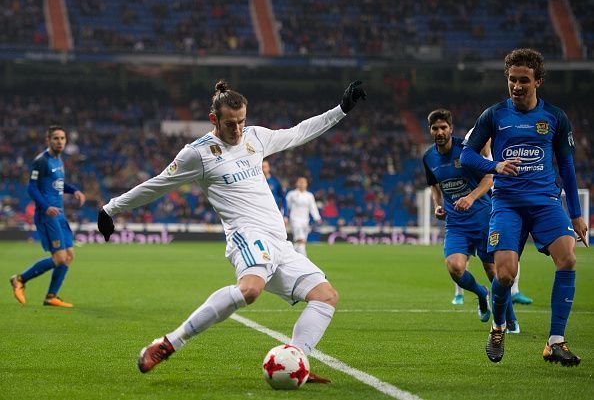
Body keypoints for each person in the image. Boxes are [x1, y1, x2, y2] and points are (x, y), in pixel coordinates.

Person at [97, 80, 366, 378]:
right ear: (214, 120)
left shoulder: (256, 138)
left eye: (241, 122)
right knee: (250, 290)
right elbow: (157, 184)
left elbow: (299, 132)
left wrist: (342, 109)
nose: (237, 130)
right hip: (246, 236)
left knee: (326, 296)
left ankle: (295, 361)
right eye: (229, 124)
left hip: (280, 243)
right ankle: (168, 343)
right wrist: (111, 209)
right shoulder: (197, 154)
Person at [461, 48, 587, 366]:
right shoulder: (493, 115)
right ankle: (498, 327)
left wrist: (577, 214)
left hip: (546, 202)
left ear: (538, 81)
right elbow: (466, 156)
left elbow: (568, 169)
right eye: (512, 80)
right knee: (505, 275)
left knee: (568, 257)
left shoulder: (555, 118)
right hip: (507, 204)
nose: (516, 87)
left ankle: (556, 341)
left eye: (524, 81)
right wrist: (495, 167)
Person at [422, 109, 519, 331]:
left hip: (483, 218)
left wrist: (471, 197)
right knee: (454, 268)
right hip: (456, 224)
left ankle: (509, 319)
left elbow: (489, 177)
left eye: (443, 127)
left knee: (494, 272)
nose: (439, 132)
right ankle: (481, 293)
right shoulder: (428, 157)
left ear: (450, 128)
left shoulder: (466, 150)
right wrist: (438, 204)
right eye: (435, 128)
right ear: (430, 130)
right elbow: (434, 187)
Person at [9, 126, 86, 308]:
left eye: (62, 138)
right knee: (59, 258)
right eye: (56, 138)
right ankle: (19, 279)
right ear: (48, 140)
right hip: (47, 215)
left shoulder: (59, 161)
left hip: (59, 214)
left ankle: (51, 296)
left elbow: (58, 184)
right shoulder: (41, 161)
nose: (59, 141)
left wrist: (74, 191)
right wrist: (46, 206)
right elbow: (31, 188)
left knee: (68, 256)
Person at [285, 176, 322, 257]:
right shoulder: (291, 194)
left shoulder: (309, 195)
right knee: (300, 239)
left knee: (301, 242)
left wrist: (317, 217)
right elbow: (286, 206)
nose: (302, 184)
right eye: (300, 182)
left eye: (303, 182)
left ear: (306, 184)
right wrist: (285, 216)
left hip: (305, 220)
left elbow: (313, 207)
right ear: (297, 183)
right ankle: (305, 260)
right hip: (295, 220)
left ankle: (289, 256)